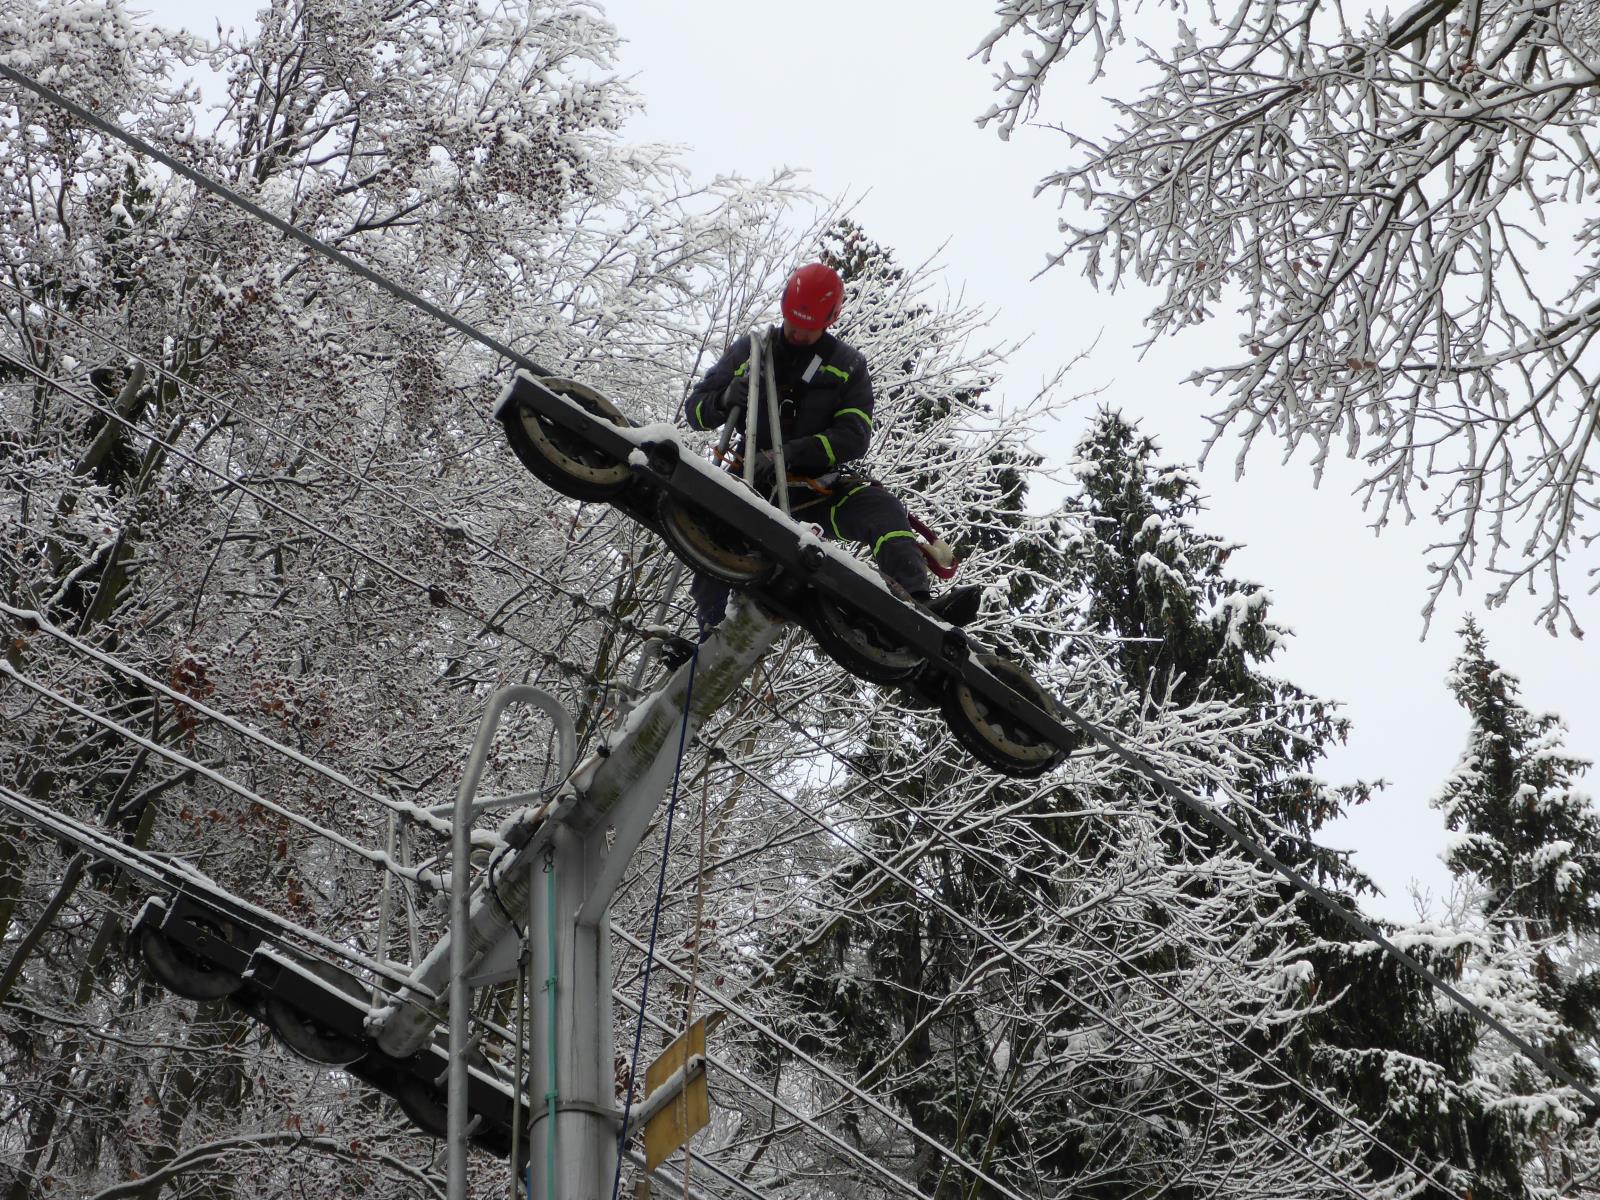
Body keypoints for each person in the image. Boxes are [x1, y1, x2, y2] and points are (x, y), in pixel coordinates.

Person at [682, 262, 980, 632]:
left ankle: (919, 605)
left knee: (883, 509)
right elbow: (695, 412)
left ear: (829, 320)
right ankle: (706, 634)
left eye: (809, 327)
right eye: (793, 322)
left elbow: (854, 436)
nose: (798, 333)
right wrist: (725, 397)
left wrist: (792, 452)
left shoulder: (847, 366)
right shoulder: (752, 350)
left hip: (815, 491)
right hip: (750, 481)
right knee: (719, 537)